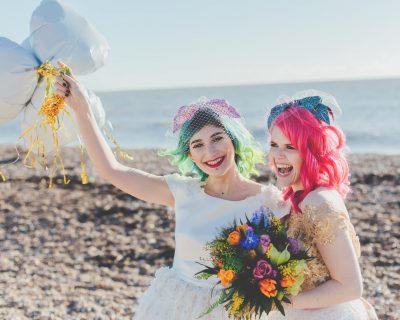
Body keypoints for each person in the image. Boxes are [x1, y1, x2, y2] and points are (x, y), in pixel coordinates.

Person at [54, 70, 290, 319]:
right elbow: (112, 171)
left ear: (234, 140)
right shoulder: (182, 192)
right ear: (189, 154)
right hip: (175, 307)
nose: (209, 152)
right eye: (197, 145)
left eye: (217, 138)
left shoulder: (270, 202)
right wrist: (82, 109)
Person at [265, 91, 378, 320]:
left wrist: (281, 300)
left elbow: (350, 287)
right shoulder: (296, 197)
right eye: (274, 144)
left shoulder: (320, 202)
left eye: (290, 147)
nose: (278, 155)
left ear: (311, 152)